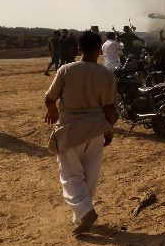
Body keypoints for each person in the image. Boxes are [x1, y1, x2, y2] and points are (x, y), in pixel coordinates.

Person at [44, 31, 117, 235]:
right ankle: (81, 216)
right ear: (98, 50)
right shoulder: (106, 74)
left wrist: (52, 110)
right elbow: (110, 109)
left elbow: (50, 98)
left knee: (70, 176)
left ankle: (84, 212)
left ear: (78, 49)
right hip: (96, 130)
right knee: (90, 177)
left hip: (70, 130)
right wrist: (109, 129)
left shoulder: (66, 69)